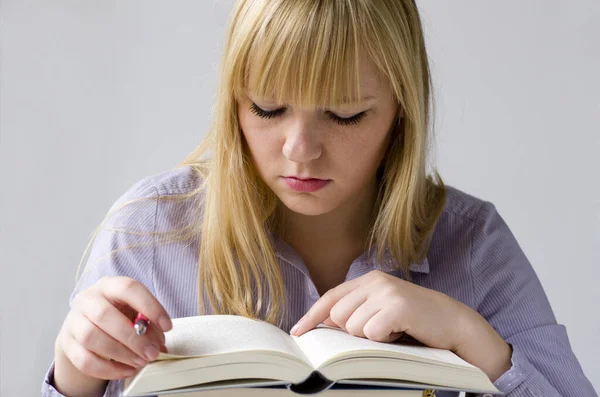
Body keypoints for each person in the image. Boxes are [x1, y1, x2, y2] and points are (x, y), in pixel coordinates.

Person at [42, 1, 596, 396]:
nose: (301, 150)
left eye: (345, 114)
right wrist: (76, 373)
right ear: (232, 102)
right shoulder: (148, 234)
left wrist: (470, 337)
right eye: (267, 108)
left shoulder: (472, 243)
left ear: (401, 110)